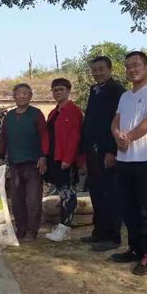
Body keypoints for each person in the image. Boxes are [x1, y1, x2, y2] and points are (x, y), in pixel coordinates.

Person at [111, 51, 147, 276]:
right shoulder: (125, 96)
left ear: (146, 67)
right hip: (124, 160)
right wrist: (117, 136)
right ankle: (134, 249)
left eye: (135, 65)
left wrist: (128, 138)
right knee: (128, 208)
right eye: (127, 66)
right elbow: (115, 120)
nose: (131, 69)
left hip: (146, 159)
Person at [80, 56, 126, 252]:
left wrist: (112, 151)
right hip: (93, 149)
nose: (97, 73)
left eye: (101, 69)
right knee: (96, 192)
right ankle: (98, 232)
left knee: (111, 194)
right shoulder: (94, 90)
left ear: (110, 69)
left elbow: (119, 122)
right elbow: (90, 119)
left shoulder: (118, 91)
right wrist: (84, 148)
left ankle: (113, 237)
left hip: (107, 150)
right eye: (94, 69)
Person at [0, 83, 49, 241]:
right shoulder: (9, 117)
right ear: (14, 96)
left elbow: (44, 136)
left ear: (30, 96)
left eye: (25, 94)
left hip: (33, 163)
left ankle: (32, 231)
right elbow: (4, 137)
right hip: (15, 164)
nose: (21, 96)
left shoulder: (36, 114)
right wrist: (0, 156)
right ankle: (21, 229)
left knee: (33, 200)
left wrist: (43, 156)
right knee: (17, 200)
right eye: (18, 93)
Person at [44, 78, 85, 242]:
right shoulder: (53, 113)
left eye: (61, 89)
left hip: (66, 158)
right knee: (61, 192)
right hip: (54, 156)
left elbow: (75, 138)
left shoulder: (74, 111)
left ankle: (64, 227)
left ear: (68, 91)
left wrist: (68, 159)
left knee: (69, 193)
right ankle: (63, 227)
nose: (57, 93)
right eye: (55, 90)